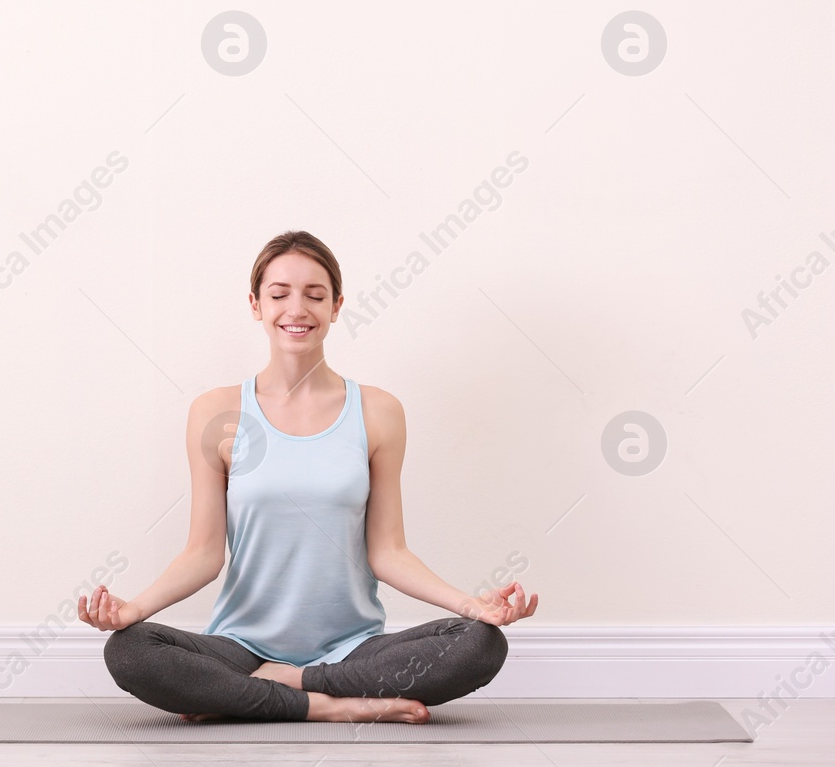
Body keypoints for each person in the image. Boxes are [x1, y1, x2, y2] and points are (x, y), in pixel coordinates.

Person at [78, 230, 538, 723]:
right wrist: (132, 612)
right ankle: (330, 708)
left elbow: (388, 552)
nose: (296, 309)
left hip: (352, 651)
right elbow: (203, 554)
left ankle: (279, 690)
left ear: (337, 306)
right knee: (129, 650)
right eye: (279, 295)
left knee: (480, 644)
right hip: (242, 648)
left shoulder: (379, 412)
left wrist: (473, 606)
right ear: (255, 304)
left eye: (315, 295)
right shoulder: (215, 412)